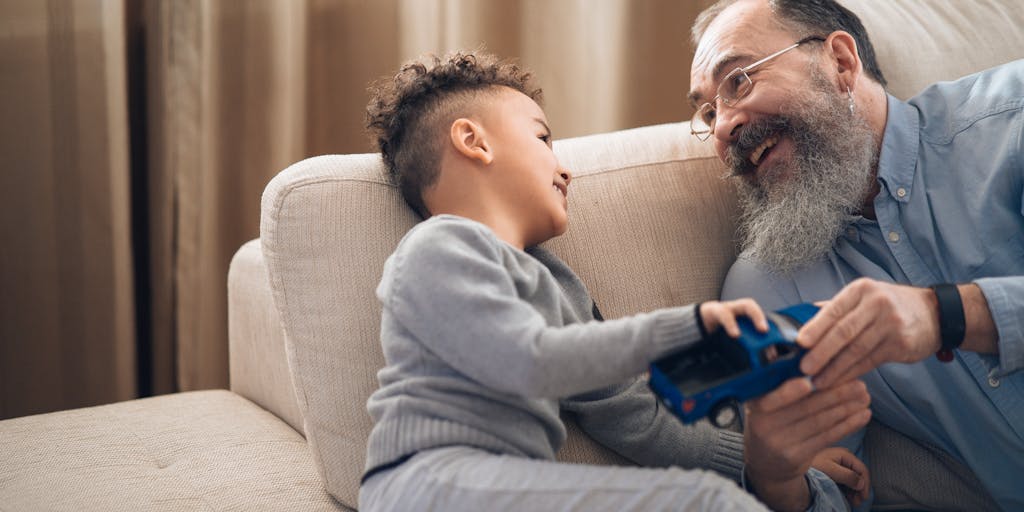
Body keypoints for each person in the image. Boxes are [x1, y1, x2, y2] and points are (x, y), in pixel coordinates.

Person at [358, 50, 870, 511]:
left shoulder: (555, 283)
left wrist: (771, 465)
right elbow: (530, 362)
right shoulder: (440, 248)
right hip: (428, 483)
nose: (565, 169)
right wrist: (687, 327)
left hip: (509, 483)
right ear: (473, 142)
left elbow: (633, 412)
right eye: (542, 138)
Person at [687, 0, 1023, 509]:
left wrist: (946, 315)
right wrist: (777, 481)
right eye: (708, 111)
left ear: (840, 63)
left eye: (738, 80)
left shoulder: (1011, 121)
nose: (721, 128)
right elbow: (837, 492)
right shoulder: (768, 287)